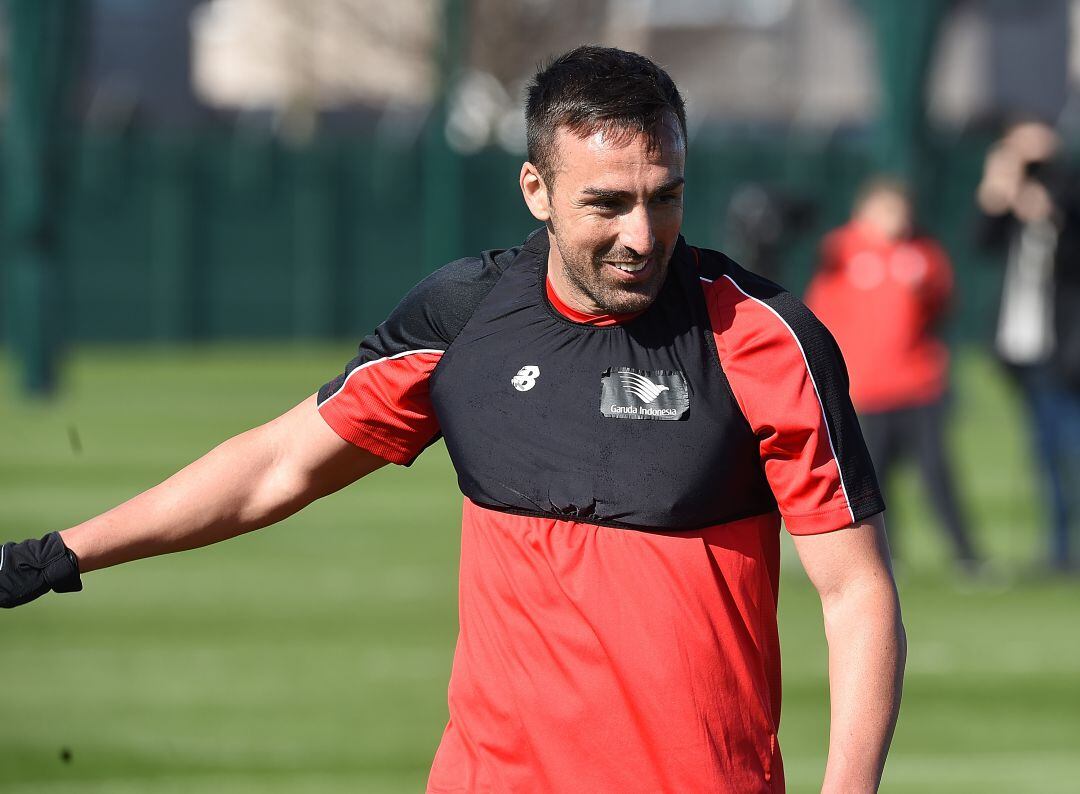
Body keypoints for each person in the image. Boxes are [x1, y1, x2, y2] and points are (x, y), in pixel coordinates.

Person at [2, 46, 905, 793]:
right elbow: (278, 466)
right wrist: (60, 553)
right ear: (536, 190)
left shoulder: (764, 338)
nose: (641, 235)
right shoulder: (464, 317)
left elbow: (856, 592)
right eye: (606, 203)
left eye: (663, 196)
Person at [805, 178, 981, 571]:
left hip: (919, 384)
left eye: (901, 211)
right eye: (886, 211)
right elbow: (821, 311)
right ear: (863, 212)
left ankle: (966, 555)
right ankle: (886, 555)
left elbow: (944, 304)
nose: (895, 220)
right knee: (873, 478)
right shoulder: (840, 250)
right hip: (868, 388)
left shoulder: (923, 252)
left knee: (936, 472)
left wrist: (924, 289)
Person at [976, 119, 1080, 573]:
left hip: (1066, 352)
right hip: (1025, 352)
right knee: (1045, 453)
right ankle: (1058, 549)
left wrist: (1050, 213)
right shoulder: (1015, 205)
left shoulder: (1067, 190)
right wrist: (999, 183)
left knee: (1071, 447)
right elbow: (981, 239)